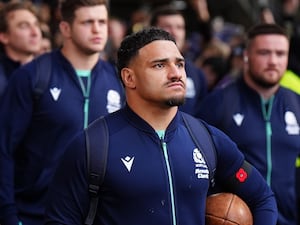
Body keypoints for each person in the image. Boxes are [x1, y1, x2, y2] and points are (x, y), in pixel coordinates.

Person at [44, 27, 277, 225]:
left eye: (180, 64)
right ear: (129, 78)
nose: (176, 73)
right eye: (159, 65)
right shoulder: (93, 145)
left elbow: (262, 197)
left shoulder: (207, 139)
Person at [0, 0, 125, 224]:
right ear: (66, 28)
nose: (97, 29)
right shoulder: (32, 76)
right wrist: (9, 215)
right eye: (87, 22)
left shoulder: (117, 80)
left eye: (102, 22)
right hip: (35, 213)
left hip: (97, 215)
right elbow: (3, 149)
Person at [197, 23, 300, 225]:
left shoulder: (297, 103)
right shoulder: (219, 102)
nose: (273, 61)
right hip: (236, 219)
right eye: (264, 53)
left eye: (280, 54)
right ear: (246, 56)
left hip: (288, 219)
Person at [150, 6, 208, 116]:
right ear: (152, 30)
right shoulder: (141, 69)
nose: (174, 32)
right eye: (167, 26)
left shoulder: (197, 73)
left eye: (180, 27)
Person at [0, 1, 42, 98]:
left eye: (36, 25)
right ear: (4, 36)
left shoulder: (51, 70)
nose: (35, 33)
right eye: (24, 26)